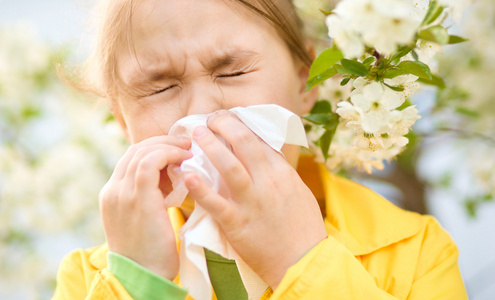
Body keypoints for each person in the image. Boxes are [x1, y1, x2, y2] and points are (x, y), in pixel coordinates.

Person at [53, 0, 468, 299]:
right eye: (160, 86)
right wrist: (139, 282)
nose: (202, 110)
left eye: (233, 71)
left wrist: (301, 259)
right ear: (123, 121)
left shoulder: (416, 254)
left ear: (307, 81)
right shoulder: (90, 279)